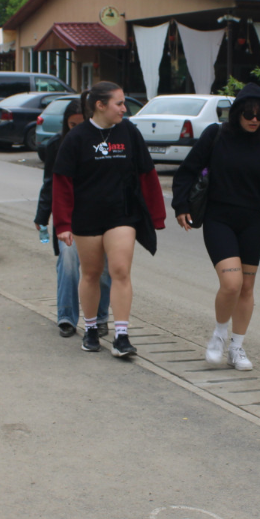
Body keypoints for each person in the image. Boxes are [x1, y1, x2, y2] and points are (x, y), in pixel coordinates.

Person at [171, 82, 260, 371]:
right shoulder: (216, 135)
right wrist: (181, 206)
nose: (254, 119)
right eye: (249, 113)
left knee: (247, 287)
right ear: (237, 111)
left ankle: (237, 348)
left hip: (252, 221)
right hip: (219, 218)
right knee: (231, 284)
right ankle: (218, 335)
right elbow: (188, 171)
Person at [52, 81, 168, 358]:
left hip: (121, 214)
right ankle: (91, 329)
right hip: (87, 217)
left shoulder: (129, 132)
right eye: (119, 103)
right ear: (100, 105)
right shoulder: (77, 137)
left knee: (120, 271)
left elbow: (147, 173)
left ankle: (121, 336)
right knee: (91, 274)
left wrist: (157, 214)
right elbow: (62, 183)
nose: (124, 109)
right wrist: (63, 224)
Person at [36, 99, 109, 337]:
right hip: (68, 216)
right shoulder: (56, 145)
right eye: (71, 125)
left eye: (81, 124)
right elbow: (50, 184)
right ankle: (66, 317)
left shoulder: (103, 144)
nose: (76, 130)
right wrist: (42, 215)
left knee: (102, 269)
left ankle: (100, 317)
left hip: (99, 216)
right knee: (68, 262)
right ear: (65, 124)